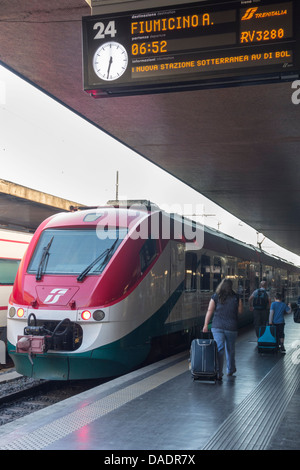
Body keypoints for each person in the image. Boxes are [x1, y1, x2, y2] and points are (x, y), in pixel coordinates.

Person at [203, 278, 243, 380]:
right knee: (230, 349)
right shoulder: (236, 297)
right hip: (231, 327)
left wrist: (205, 325)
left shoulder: (215, 297)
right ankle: (230, 369)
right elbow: (240, 311)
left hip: (217, 326)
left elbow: (209, 310)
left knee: (219, 348)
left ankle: (218, 372)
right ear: (231, 286)